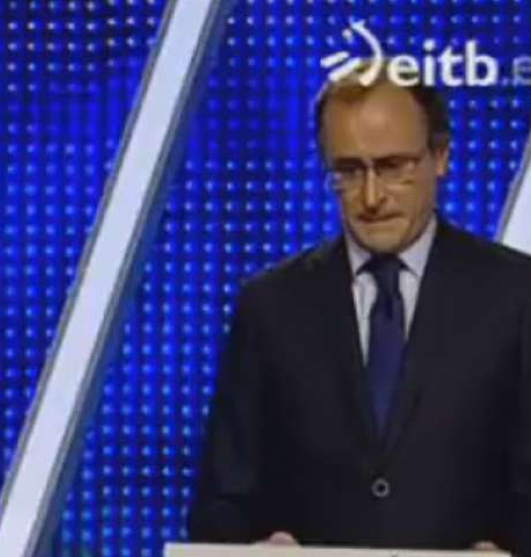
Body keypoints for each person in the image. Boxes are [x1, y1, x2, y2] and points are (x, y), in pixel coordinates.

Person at [186, 63, 531, 552]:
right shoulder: (270, 306)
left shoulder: (516, 295)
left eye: (392, 167)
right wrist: (255, 546)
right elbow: (222, 502)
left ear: (440, 157)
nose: (371, 197)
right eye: (349, 171)